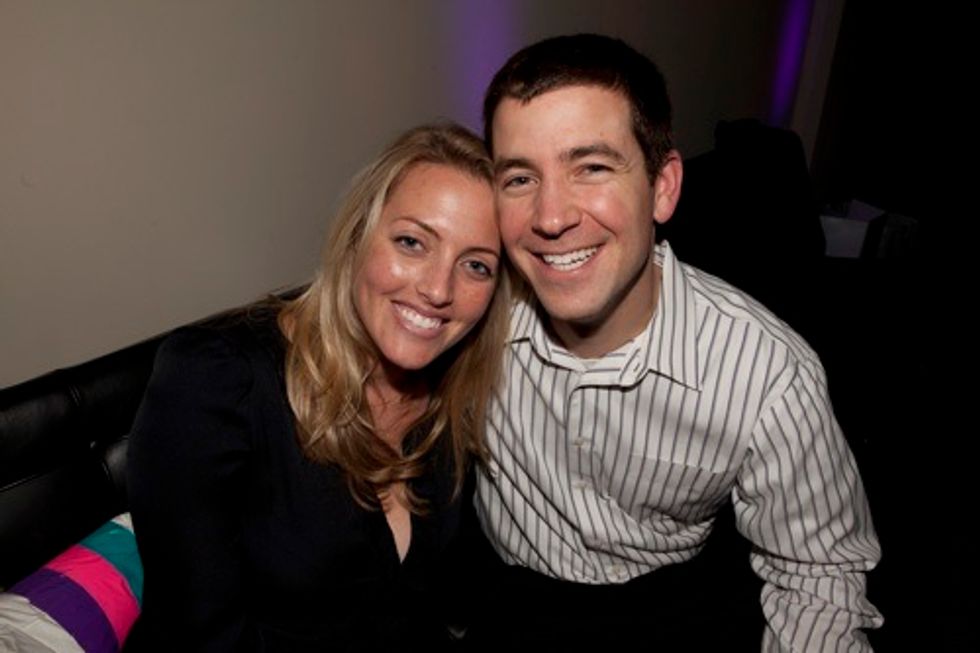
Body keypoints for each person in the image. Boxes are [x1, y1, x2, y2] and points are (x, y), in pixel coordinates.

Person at [467, 34, 883, 651]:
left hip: (669, 614)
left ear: (663, 186)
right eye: (521, 177)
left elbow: (818, 575)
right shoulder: (470, 315)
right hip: (505, 602)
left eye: (592, 167)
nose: (551, 217)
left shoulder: (768, 373)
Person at [126, 122, 510, 652]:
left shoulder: (450, 399)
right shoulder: (216, 379)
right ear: (357, 237)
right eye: (412, 242)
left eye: (476, 266)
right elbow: (201, 637)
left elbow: (445, 597)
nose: (439, 289)